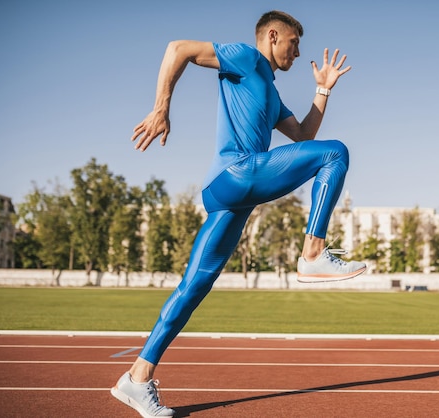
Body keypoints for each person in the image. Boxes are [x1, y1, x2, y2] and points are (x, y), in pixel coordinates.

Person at [111, 10, 366, 417]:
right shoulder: (247, 57)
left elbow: (301, 135)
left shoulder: (270, 88)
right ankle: (313, 254)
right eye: (294, 44)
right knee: (336, 153)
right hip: (237, 173)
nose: (298, 53)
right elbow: (178, 49)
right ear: (272, 36)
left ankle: (137, 378)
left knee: (194, 286)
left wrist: (323, 92)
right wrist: (161, 107)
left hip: (232, 196)